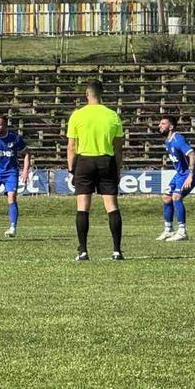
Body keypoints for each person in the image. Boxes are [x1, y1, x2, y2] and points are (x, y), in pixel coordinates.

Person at [67, 80, 125, 261]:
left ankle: (83, 250)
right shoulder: (112, 115)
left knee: (83, 207)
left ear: (86, 94)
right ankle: (116, 251)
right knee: (112, 207)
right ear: (102, 94)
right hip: (106, 161)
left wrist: (71, 170)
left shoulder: (77, 115)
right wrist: (118, 168)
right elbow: (118, 148)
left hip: (84, 161)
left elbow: (71, 146)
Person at [156, 115, 195, 242]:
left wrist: (191, 176)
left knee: (176, 197)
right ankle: (168, 230)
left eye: (163, 124)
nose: (159, 126)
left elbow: (193, 155)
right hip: (181, 173)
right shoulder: (168, 140)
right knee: (166, 197)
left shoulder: (178, 139)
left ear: (171, 127)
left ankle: (182, 231)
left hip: (190, 173)